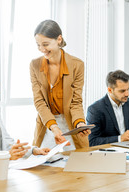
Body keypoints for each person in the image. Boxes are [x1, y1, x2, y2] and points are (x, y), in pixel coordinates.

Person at [30, 20, 90, 151]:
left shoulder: (77, 65)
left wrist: (80, 122)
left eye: (45, 44)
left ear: (59, 39)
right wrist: (54, 127)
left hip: (70, 125)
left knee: (74, 165)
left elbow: (76, 101)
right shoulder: (34, 65)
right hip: (48, 124)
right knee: (46, 166)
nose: (42, 50)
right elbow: (39, 102)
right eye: (38, 45)